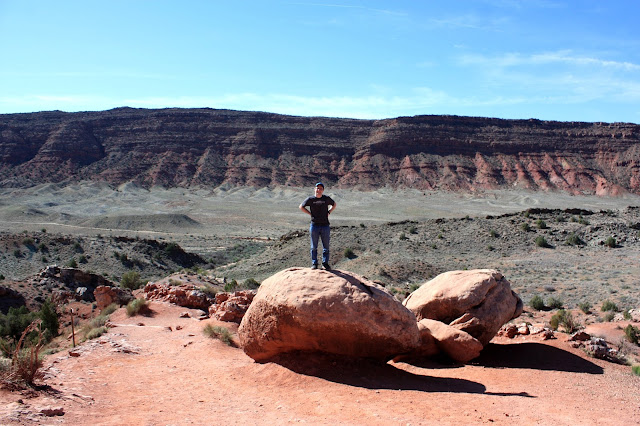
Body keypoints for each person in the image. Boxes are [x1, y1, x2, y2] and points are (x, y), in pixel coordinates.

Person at [299, 182, 336, 270]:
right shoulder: (310, 199)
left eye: (320, 188)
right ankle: (314, 263)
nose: (318, 190)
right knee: (313, 247)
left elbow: (334, 204)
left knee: (326, 246)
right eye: (317, 188)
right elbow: (301, 206)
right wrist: (310, 214)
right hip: (314, 225)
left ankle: (325, 263)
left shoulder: (326, 198)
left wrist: (329, 212)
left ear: (323, 190)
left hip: (325, 225)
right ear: (314, 189)